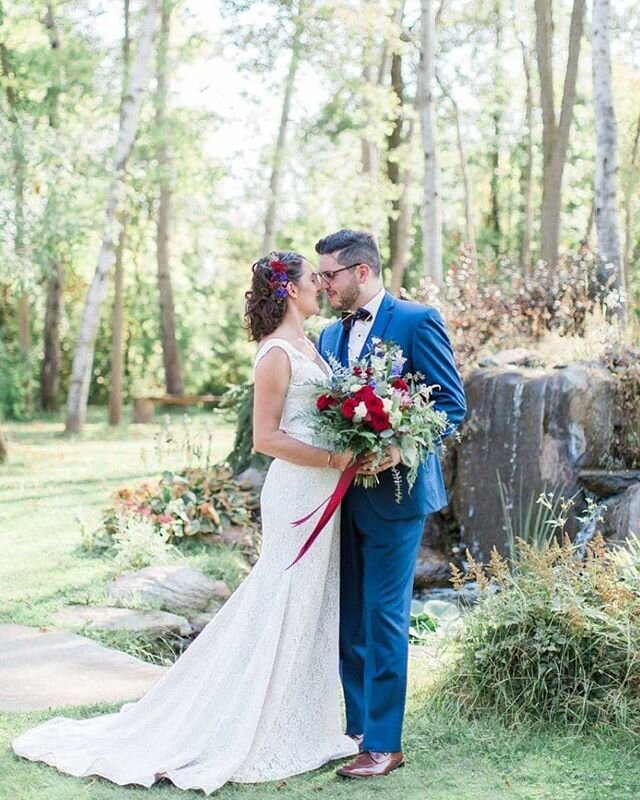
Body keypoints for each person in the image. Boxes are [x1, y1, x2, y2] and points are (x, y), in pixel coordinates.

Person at [11, 251, 358, 794]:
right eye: (314, 280)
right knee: (280, 599)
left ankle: (301, 720)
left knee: (309, 604)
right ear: (290, 290)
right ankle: (245, 723)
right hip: (297, 494)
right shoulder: (274, 355)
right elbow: (266, 438)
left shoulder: (309, 346)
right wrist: (335, 459)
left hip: (322, 491)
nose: (321, 287)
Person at [316, 229, 467, 779]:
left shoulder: (416, 321)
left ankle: (385, 742)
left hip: (397, 496)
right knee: (348, 617)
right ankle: (357, 730)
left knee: (382, 616)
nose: (322, 284)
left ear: (361, 272)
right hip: (339, 497)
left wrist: (397, 444)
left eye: (329, 274)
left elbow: (452, 405)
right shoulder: (330, 337)